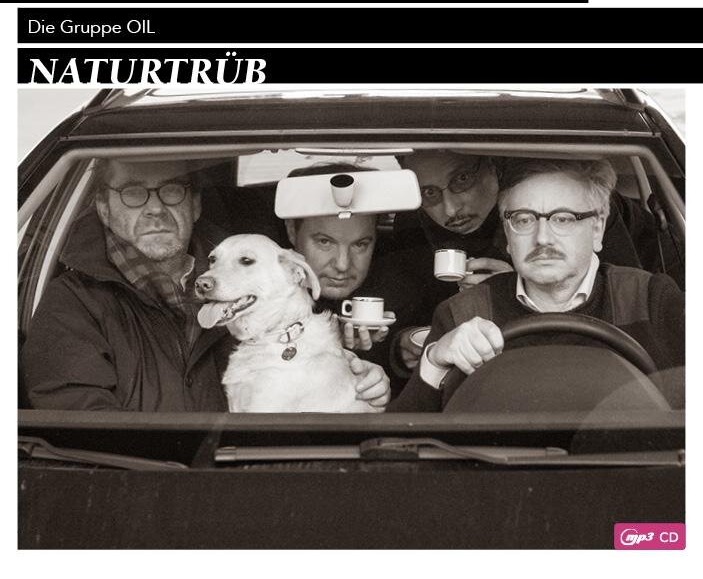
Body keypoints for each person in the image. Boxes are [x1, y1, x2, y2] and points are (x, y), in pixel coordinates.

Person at [21, 159, 390, 412]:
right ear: (103, 207)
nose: (155, 209)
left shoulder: (259, 301)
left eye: (171, 190)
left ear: (195, 204)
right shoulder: (70, 305)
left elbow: (300, 369)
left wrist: (361, 379)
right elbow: (83, 431)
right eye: (133, 192)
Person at [388, 158, 684, 412]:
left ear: (597, 227)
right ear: (507, 234)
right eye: (523, 220)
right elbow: (403, 441)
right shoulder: (462, 313)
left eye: (563, 219)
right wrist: (434, 362)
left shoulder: (651, 300)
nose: (542, 238)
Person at [284, 163, 428, 395]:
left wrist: (399, 353)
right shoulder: (262, 299)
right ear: (292, 231)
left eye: (360, 245)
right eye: (324, 242)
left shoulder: (401, 291)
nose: (343, 264)